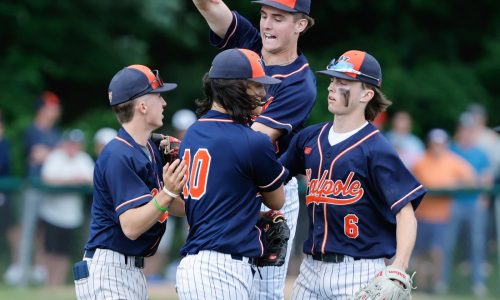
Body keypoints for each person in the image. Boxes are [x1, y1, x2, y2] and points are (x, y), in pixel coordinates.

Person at [191, 1, 317, 297]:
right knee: (213, 276)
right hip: (229, 179)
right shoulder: (249, 46)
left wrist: (201, 141)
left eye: (278, 17)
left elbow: (250, 140)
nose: (267, 24)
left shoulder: (300, 83)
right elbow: (208, 4)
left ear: (300, 25)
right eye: (263, 16)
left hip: (269, 191)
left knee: (263, 292)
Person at [278, 50, 426, 299]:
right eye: (332, 81)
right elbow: (271, 177)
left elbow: (406, 213)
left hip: (358, 270)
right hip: (310, 270)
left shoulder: (376, 148)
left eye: (343, 82)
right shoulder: (310, 138)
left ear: (367, 94)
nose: (332, 87)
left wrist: (399, 266)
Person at [175, 48, 287, 300]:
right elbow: (277, 201)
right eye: (256, 85)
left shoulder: (193, 132)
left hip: (199, 265)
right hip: (221, 269)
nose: (262, 93)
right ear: (233, 87)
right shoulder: (253, 141)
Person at [74, 64, 188, 299]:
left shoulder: (149, 149)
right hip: (108, 269)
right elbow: (132, 226)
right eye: (159, 96)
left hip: (128, 270)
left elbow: (167, 204)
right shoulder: (118, 154)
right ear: (142, 106)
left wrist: (216, 209)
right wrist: (168, 192)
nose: (164, 103)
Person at [4, 91, 62, 285]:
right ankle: (20, 268)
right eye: (50, 107)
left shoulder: (55, 133)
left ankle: (39, 271)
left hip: (51, 189)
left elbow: (51, 155)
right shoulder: (32, 130)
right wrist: (55, 152)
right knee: (27, 228)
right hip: (33, 188)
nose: (54, 110)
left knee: (44, 231)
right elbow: (36, 155)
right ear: (41, 109)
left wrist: (50, 153)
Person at [411, 128, 475, 293]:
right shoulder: (420, 160)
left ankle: (437, 285)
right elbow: (409, 180)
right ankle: (419, 285)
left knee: (437, 251)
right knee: (419, 252)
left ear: (445, 144)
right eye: (434, 143)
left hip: (443, 215)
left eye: (440, 143)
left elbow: (471, 179)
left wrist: (454, 186)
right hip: (421, 213)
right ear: (430, 144)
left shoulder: (453, 161)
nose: (437, 146)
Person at [439, 113, 493, 296]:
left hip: (475, 205)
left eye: (470, 131)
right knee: (446, 244)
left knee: (476, 245)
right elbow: (446, 179)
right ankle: (441, 282)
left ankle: (477, 283)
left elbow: (486, 181)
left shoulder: (481, 154)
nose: (466, 134)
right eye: (463, 130)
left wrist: (477, 189)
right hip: (452, 204)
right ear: (458, 131)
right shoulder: (451, 151)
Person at [144, 108, 197, 283]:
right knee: (161, 238)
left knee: (190, 236)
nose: (183, 133)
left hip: (192, 201)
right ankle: (153, 276)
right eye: (181, 129)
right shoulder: (168, 149)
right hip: (169, 196)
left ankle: (188, 273)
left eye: (187, 129)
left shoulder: (199, 146)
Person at [40, 128, 95, 286]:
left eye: (76, 144)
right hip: (51, 213)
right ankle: (48, 283)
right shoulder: (55, 157)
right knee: (49, 250)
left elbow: (91, 180)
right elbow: (47, 178)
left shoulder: (83, 159)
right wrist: (72, 180)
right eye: (70, 143)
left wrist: (77, 180)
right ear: (64, 143)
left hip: (71, 216)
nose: (72, 147)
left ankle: (57, 283)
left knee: (64, 252)